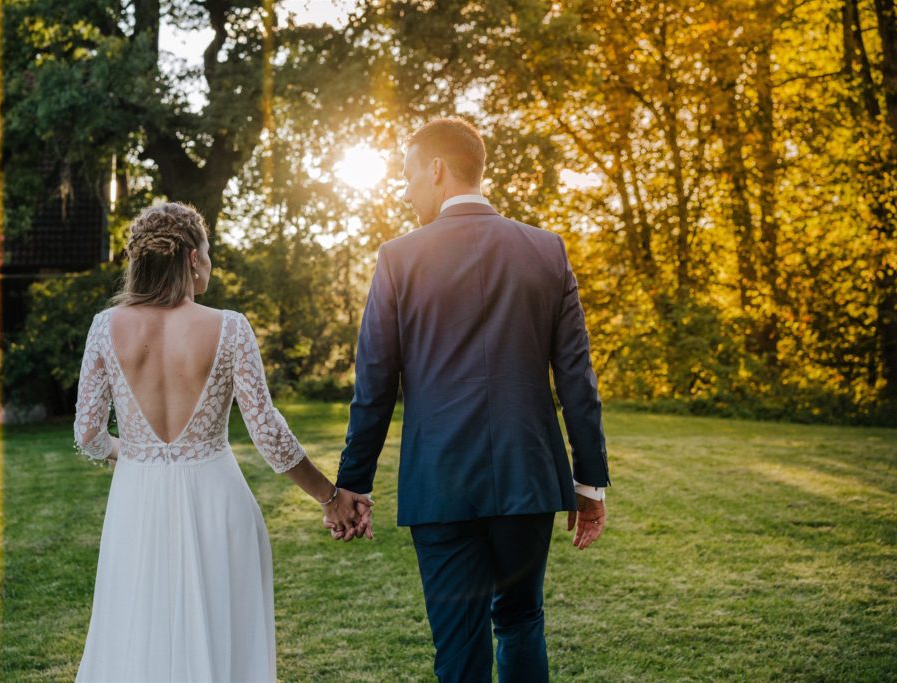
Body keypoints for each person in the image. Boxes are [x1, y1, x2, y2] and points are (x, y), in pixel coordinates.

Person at [334, 117, 611, 682]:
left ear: (436, 170)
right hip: (528, 477)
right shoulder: (547, 250)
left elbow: (374, 386)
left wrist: (353, 484)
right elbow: (577, 380)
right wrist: (589, 483)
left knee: (459, 644)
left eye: (408, 175)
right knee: (520, 620)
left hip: (440, 481)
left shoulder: (397, 259)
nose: (406, 189)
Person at [73, 202, 370, 682]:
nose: (211, 261)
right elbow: (267, 432)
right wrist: (331, 497)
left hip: (136, 504)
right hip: (216, 500)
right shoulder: (229, 327)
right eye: (209, 251)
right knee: (222, 638)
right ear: (192, 257)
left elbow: (87, 435)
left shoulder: (105, 328)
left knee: (138, 637)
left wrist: (131, 455)